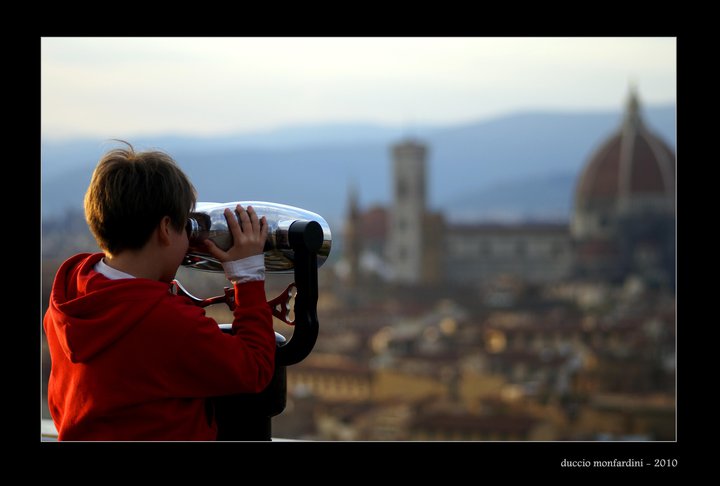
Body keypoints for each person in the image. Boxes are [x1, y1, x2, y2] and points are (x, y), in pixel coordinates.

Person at [43, 141, 275, 441]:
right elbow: (254, 368)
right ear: (165, 229)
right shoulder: (168, 324)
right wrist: (247, 276)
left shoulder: (70, 299)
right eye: (184, 228)